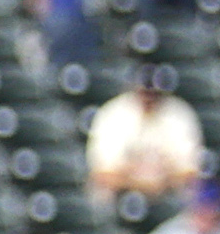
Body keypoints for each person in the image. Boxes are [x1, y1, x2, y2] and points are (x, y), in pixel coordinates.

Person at [83, 71, 208, 206]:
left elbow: (191, 172)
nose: (149, 97)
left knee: (194, 191)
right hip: (121, 193)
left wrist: (158, 181)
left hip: (169, 191)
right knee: (100, 191)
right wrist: (144, 184)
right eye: (144, 92)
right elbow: (103, 174)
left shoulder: (178, 113)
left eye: (154, 93)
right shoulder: (113, 113)